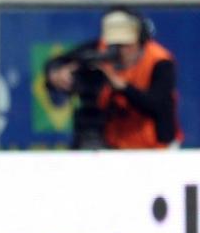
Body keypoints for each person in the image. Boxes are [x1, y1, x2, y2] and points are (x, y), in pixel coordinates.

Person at [44, 8, 182, 149]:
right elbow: (60, 61)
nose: (121, 51)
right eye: (116, 45)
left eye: (126, 45)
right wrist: (57, 73)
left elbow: (158, 106)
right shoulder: (102, 51)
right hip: (115, 144)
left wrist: (122, 86)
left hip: (154, 145)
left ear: (140, 41)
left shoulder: (159, 61)